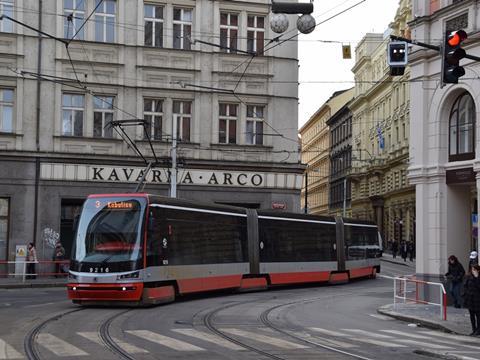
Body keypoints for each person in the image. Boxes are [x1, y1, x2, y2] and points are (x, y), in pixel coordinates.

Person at [463, 264, 480, 336]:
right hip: (470, 299)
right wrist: (465, 294)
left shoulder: (478, 278)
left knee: (478, 315)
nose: (473, 271)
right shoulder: (469, 277)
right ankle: (474, 329)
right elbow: (465, 286)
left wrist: (477, 278)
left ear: (478, 270)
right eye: (472, 269)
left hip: (477, 299)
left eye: (474, 269)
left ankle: (478, 330)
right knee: (471, 315)